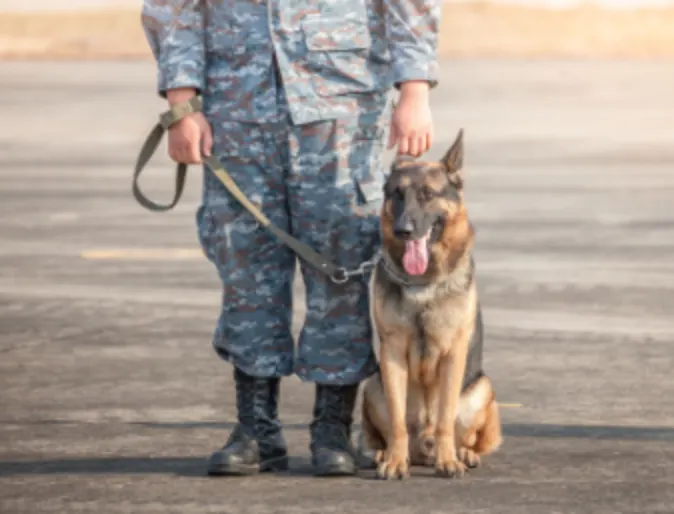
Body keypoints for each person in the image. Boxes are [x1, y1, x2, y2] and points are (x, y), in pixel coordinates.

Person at [141, 0, 440, 477]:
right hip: (236, 116)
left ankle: (332, 430)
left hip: (342, 111)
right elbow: (173, 7)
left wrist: (415, 92)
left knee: (339, 271)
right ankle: (256, 431)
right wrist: (181, 105)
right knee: (247, 274)